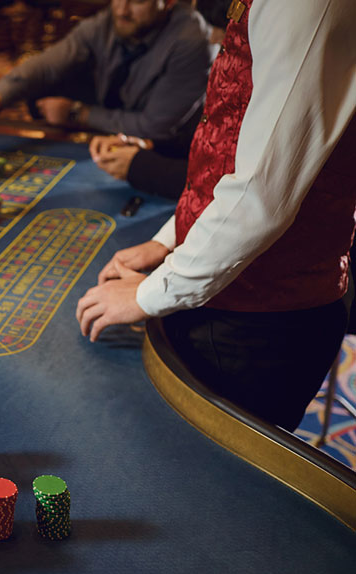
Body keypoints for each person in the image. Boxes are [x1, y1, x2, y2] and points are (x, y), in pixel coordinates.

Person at [75, 0, 356, 430]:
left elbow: (262, 192)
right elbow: (232, 148)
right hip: (235, 305)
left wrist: (147, 294)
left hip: (260, 323)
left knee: (199, 489)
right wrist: (169, 240)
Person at [0, 0, 213, 155]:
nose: (122, 10)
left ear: (168, 3)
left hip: (166, 156)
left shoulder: (190, 41)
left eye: (137, 1)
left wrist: (79, 114)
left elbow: (156, 127)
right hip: (112, 140)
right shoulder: (109, 21)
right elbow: (47, 65)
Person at [88, 0, 229, 200]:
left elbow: (227, 183)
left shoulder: (190, 39)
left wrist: (139, 166)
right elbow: (208, 144)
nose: (213, 39)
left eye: (222, 28)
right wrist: (148, 147)